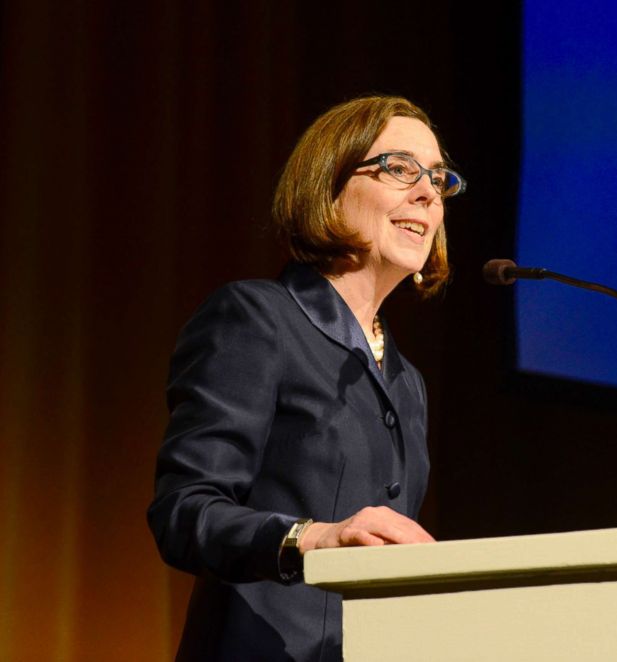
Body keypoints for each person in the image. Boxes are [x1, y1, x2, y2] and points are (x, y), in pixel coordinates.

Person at [147, 96, 466, 661]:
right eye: (400, 169)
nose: (426, 192)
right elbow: (184, 510)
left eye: (438, 179)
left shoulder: (408, 381)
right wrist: (312, 538)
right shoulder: (257, 318)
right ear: (329, 184)